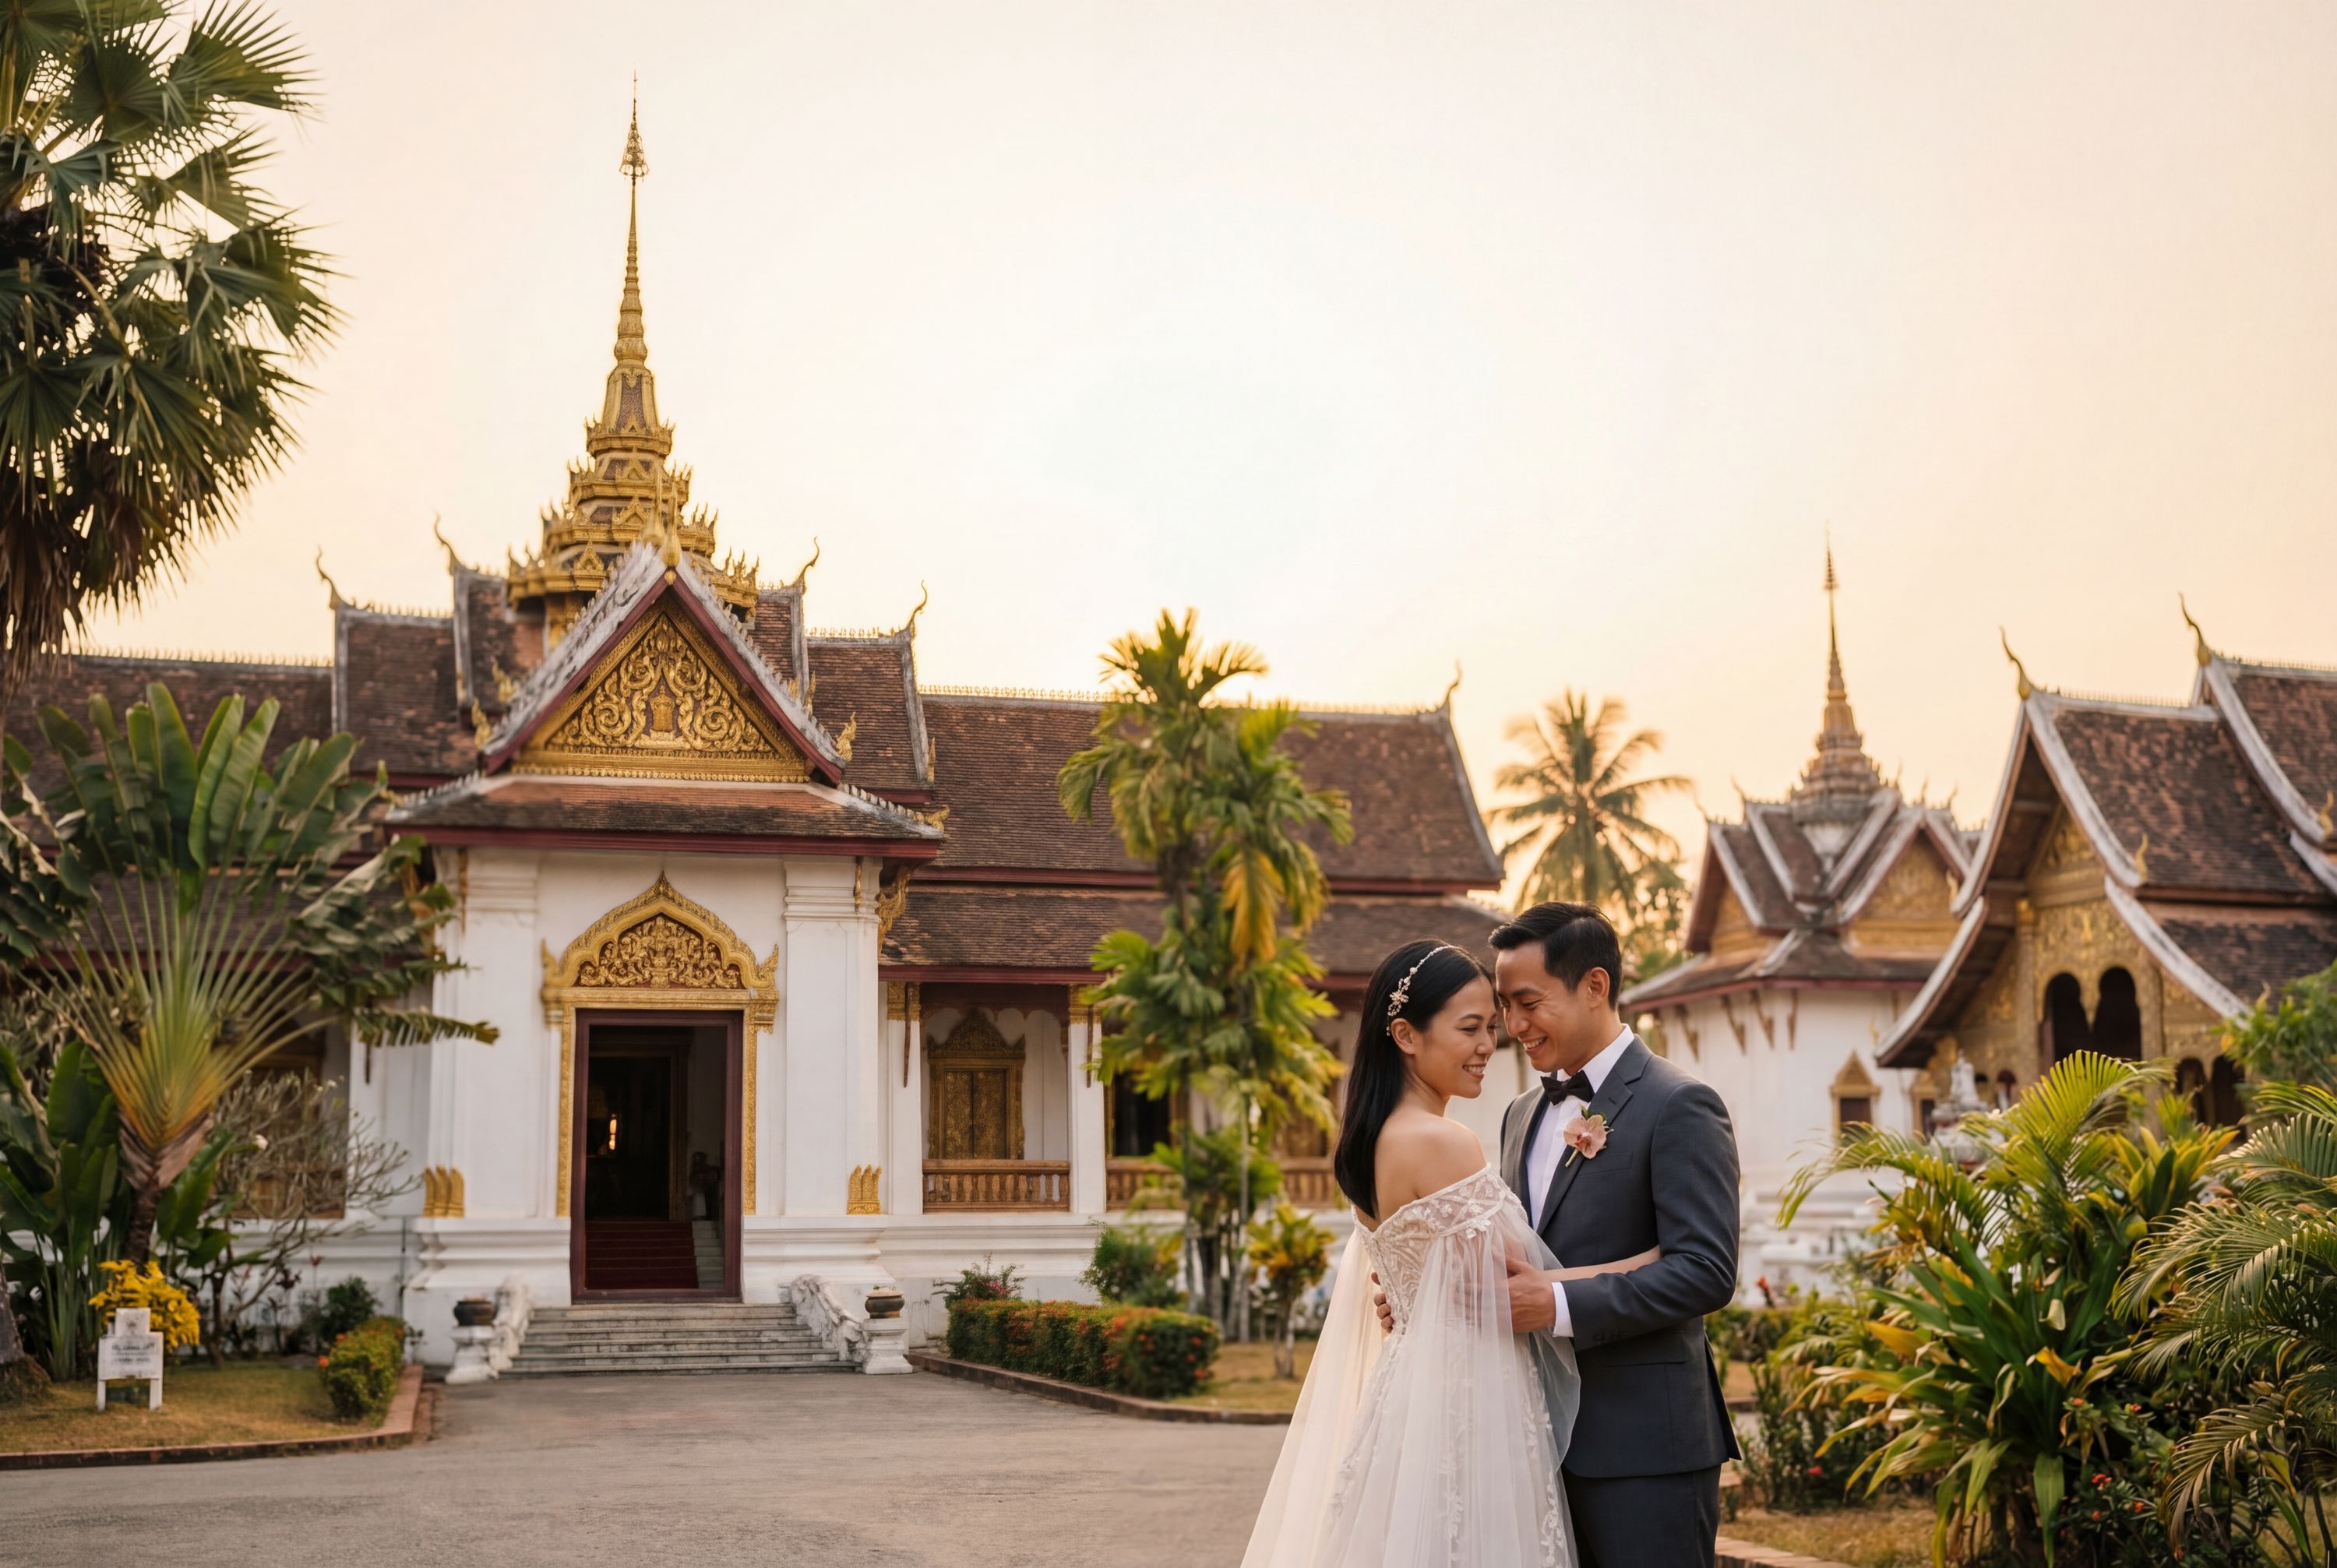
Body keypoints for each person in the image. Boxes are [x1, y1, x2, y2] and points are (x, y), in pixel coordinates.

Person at [1240, 940, 1655, 1568]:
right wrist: (1645, 1260)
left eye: (1493, 1026)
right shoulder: (1443, 1142)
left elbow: (1418, 1284)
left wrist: (1413, 1304)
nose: (1491, 1043)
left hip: (1408, 1406)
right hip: (1471, 1410)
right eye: (1470, 1028)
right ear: (1406, 1034)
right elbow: (1522, 1285)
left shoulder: (1369, 1143)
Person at [1475, 901, 1742, 1568]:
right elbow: (1512, 1257)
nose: (1514, 1025)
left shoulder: (1680, 1103)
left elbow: (1705, 1269)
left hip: (1647, 1452)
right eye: (1505, 1006)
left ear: (1595, 986)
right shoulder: (1520, 1114)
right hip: (1536, 1447)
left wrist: (1559, 1305)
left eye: (1528, 1002)